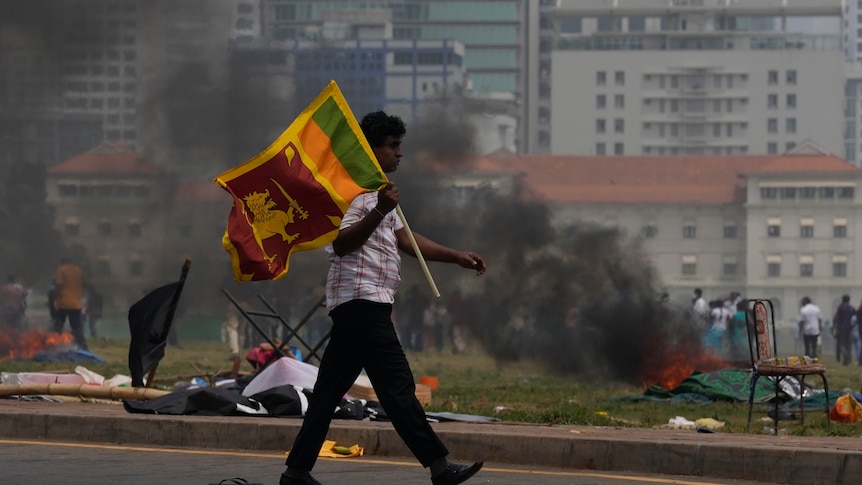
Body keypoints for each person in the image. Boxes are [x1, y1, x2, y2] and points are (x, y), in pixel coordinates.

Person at [279, 111, 486, 485]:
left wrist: (456, 256)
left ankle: (296, 472)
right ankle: (439, 466)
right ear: (370, 150)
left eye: (399, 145)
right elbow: (341, 243)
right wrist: (379, 209)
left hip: (359, 306)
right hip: (362, 304)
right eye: (392, 146)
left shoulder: (378, 191)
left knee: (327, 393)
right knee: (397, 386)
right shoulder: (356, 191)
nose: (399, 153)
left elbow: (405, 239)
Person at [52, 258, 88, 350]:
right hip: (76, 304)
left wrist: (55, 298)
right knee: (76, 328)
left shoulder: (61, 269)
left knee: (58, 326)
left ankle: (55, 346)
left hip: (63, 303)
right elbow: (84, 284)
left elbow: (59, 284)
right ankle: (83, 347)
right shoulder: (79, 270)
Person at [833, 295, 855, 366]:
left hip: (841, 328)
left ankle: (845, 354)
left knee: (841, 344)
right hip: (849, 328)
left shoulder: (840, 307)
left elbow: (837, 317)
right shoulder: (851, 308)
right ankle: (848, 359)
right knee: (848, 344)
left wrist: (834, 327)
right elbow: (854, 319)